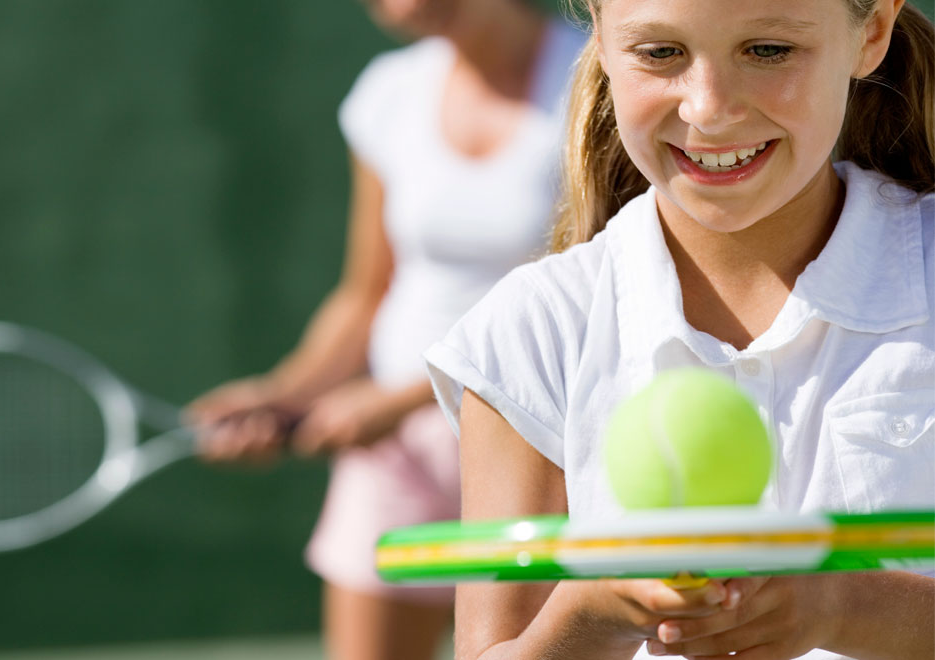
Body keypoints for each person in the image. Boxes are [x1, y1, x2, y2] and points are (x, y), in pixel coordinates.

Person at [424, 0, 934, 658]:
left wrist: (844, 606)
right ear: (601, 39)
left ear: (872, 32)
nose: (708, 108)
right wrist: (592, 607)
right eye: (662, 54)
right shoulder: (532, 329)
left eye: (769, 51)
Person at [186, 1, 585, 658]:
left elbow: (591, 297)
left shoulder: (594, 80)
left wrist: (405, 397)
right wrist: (283, 394)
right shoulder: (389, 94)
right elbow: (366, 293)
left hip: (541, 447)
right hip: (397, 458)